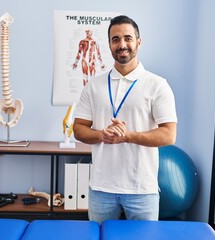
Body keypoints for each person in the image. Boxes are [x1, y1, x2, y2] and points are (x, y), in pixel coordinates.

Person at [73, 15, 177, 224]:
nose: (122, 45)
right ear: (110, 44)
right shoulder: (94, 85)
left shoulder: (157, 84)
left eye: (128, 38)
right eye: (115, 39)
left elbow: (168, 135)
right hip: (101, 188)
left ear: (139, 42)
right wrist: (101, 134)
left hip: (142, 189)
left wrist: (128, 137)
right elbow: (78, 129)